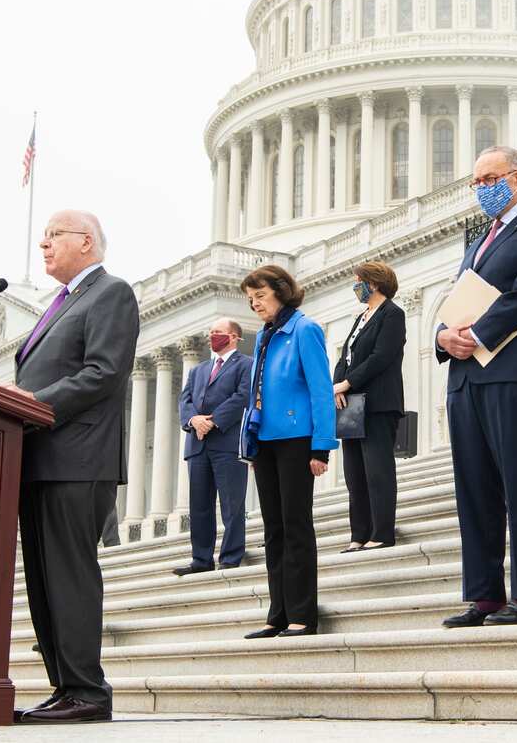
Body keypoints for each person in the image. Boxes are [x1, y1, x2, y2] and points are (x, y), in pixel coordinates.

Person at [8, 210, 138, 723]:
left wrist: (32, 402)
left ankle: (88, 691)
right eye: (41, 237)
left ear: (85, 242)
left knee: (70, 576)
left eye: (52, 236)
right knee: (43, 580)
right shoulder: (59, 304)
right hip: (40, 458)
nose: (43, 245)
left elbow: (104, 372)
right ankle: (64, 688)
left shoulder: (111, 293)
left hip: (78, 460)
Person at [437, 146, 517, 628]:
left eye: (488, 179)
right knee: (474, 488)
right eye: (475, 183)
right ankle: (484, 594)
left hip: (515, 371)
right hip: (467, 376)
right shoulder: (479, 241)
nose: (480, 189)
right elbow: (455, 300)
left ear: (516, 180)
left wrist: (478, 334)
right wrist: (443, 337)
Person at [239, 265, 338, 638]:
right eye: (251, 299)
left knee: (296, 527)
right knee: (273, 530)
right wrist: (251, 445)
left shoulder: (304, 329)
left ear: (281, 291)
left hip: (297, 440)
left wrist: (322, 447)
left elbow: (321, 390)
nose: (255, 304)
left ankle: (302, 614)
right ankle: (277, 613)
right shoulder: (265, 335)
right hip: (265, 442)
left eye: (260, 295)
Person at [333, 261, 407, 552]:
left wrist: (347, 383)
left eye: (358, 281)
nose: (356, 287)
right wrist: (336, 385)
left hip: (378, 403)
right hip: (351, 406)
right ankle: (358, 535)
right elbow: (345, 357)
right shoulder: (361, 317)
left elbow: (381, 357)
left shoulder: (392, 314)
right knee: (355, 474)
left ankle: (382, 532)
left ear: (373, 283)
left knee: (378, 471)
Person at [173, 319, 252, 575]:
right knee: (199, 505)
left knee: (232, 503)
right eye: (210, 333)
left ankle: (230, 556)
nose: (211, 337)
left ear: (233, 336)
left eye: (216, 333)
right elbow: (185, 401)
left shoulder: (246, 365)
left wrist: (214, 421)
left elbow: (242, 396)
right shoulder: (198, 370)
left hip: (227, 443)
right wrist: (193, 420)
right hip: (197, 444)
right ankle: (201, 559)